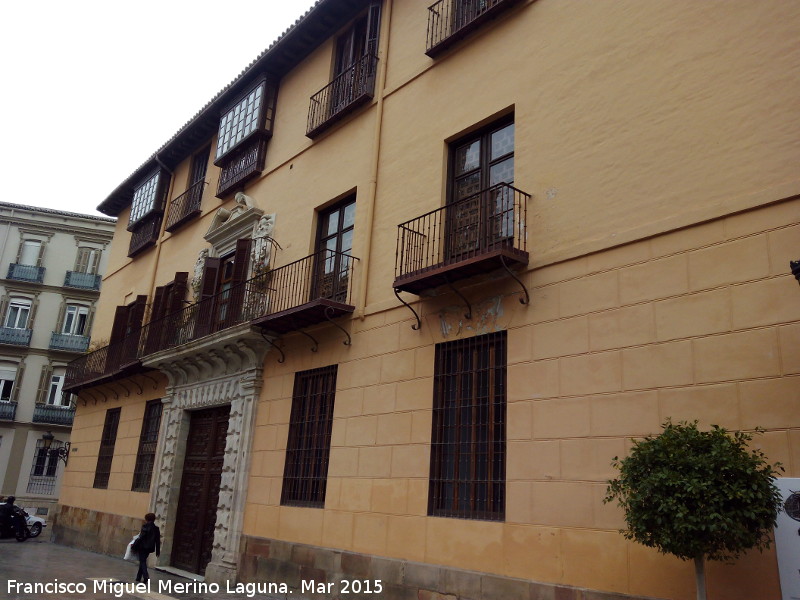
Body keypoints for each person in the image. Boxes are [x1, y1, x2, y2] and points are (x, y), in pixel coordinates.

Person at [133, 513, 161, 584]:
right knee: (143, 561)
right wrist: (158, 550)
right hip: (150, 548)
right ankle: (138, 577)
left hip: (143, 547)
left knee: (142, 561)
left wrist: (134, 545)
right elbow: (158, 540)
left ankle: (146, 576)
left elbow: (141, 537)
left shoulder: (145, 526)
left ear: (146, 519)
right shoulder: (156, 528)